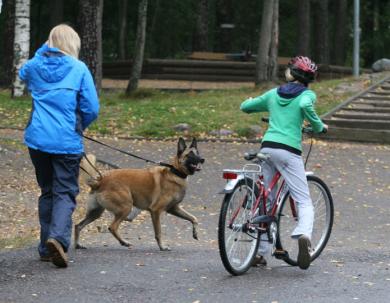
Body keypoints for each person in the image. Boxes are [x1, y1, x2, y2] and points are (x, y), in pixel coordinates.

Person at [19, 24, 99, 268]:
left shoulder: (33, 66)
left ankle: (45, 247)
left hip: (38, 140)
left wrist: (43, 52)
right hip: (66, 142)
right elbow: (91, 108)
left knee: (48, 191)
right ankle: (58, 240)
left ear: (49, 42)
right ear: (72, 44)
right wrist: (79, 126)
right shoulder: (79, 68)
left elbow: (22, 73)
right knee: (64, 192)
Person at [240, 56, 328, 270]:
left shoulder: (273, 94)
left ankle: (258, 253)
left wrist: (251, 101)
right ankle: (303, 233)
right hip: (288, 152)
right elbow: (306, 104)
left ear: (291, 74)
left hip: (267, 148)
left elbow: (246, 106)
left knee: (265, 200)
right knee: (304, 200)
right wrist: (319, 126)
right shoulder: (307, 94)